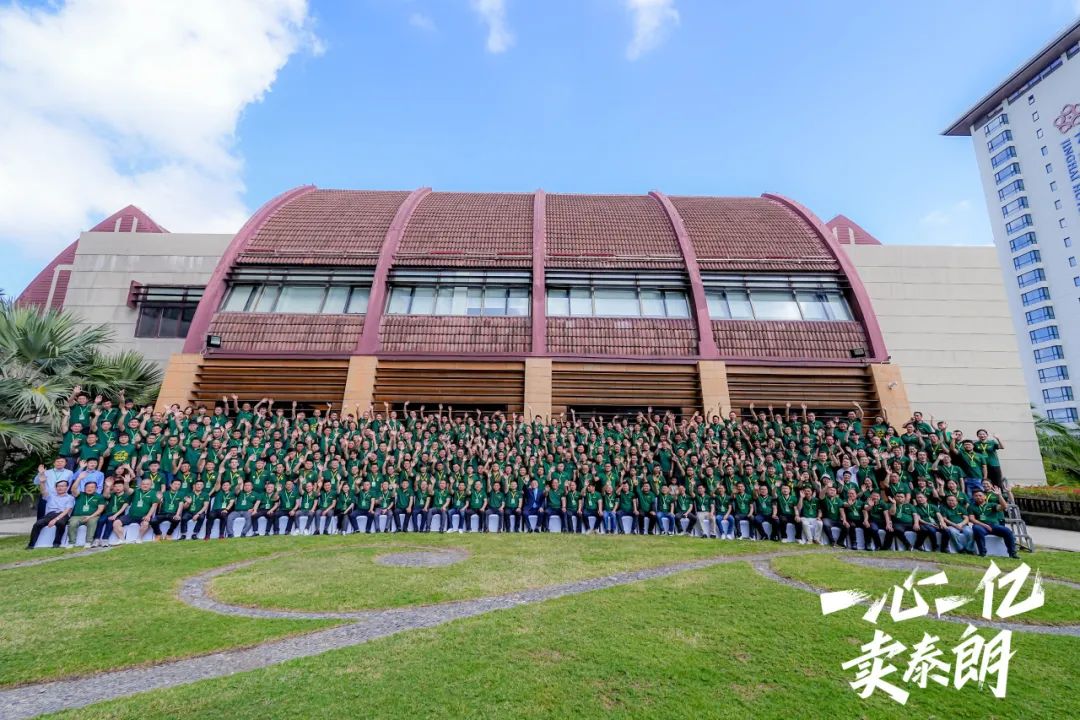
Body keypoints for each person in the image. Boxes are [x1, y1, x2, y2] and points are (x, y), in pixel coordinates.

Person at [969, 489, 1019, 559]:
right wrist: (985, 525)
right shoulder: (972, 506)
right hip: (981, 526)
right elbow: (972, 519)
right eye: (976, 496)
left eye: (980, 495)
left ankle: (1012, 553)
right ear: (973, 497)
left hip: (994, 526)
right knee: (976, 528)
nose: (978, 497)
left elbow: (1004, 507)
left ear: (985, 497)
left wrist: (999, 495)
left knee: (1007, 531)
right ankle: (982, 553)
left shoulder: (991, 505)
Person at [27, 478, 75, 549]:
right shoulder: (50, 496)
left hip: (63, 515)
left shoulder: (70, 498)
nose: (60, 488)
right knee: (38, 524)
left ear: (67, 487)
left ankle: (56, 543)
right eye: (58, 486)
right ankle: (31, 545)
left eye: (62, 486)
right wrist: (42, 482)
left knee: (60, 523)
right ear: (55, 488)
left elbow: (67, 511)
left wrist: (55, 519)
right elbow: (43, 491)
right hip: (50, 514)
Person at [112, 476, 158, 543]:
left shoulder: (153, 493)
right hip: (131, 515)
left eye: (147, 484)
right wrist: (126, 483)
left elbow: (154, 505)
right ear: (140, 485)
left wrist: (148, 516)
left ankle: (139, 538)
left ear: (151, 485)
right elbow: (127, 490)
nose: (145, 485)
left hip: (143, 516)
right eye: (143, 484)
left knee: (145, 524)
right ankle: (122, 539)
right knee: (116, 523)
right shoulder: (136, 491)